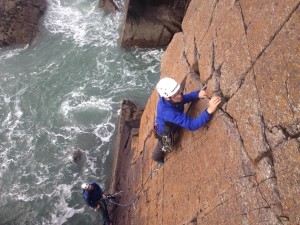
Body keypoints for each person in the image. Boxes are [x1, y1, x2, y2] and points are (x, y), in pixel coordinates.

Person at [152, 77, 222, 164]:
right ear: (167, 98)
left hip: (170, 123)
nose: (179, 95)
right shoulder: (168, 111)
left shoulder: (173, 97)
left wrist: (196, 95)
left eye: (179, 91)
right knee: (166, 146)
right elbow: (191, 125)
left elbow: (183, 98)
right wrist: (209, 110)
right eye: (176, 94)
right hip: (164, 131)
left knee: (172, 132)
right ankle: (156, 157)